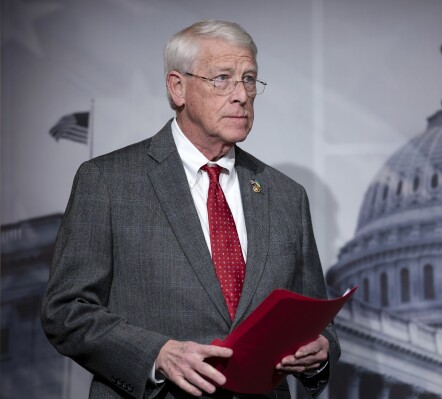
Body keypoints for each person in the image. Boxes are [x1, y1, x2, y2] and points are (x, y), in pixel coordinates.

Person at [41, 20, 340, 399]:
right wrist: (158, 355)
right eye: (222, 78)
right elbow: (66, 311)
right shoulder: (107, 181)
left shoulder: (286, 196)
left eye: (249, 79)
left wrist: (321, 352)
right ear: (177, 87)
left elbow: (315, 319)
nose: (241, 95)